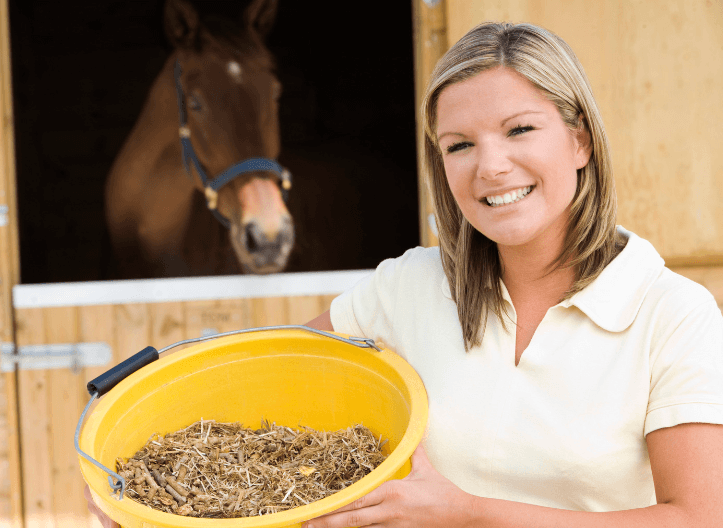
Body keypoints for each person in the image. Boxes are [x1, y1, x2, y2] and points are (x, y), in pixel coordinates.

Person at [86, 22, 723, 527]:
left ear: (579, 141)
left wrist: (467, 514)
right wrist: (150, 486)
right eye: (459, 145)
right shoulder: (412, 287)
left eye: (519, 130)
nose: (491, 167)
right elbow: (262, 384)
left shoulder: (672, 314)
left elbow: (700, 518)